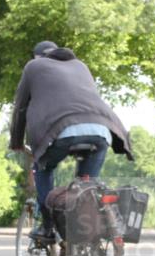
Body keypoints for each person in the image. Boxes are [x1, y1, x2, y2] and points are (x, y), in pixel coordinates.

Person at [10, 41, 133, 241]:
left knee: (43, 167)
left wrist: (16, 141)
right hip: (102, 130)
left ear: (37, 56)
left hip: (62, 128)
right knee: (86, 187)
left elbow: (21, 107)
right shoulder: (81, 65)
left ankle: (47, 226)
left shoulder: (33, 67)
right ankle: (89, 241)